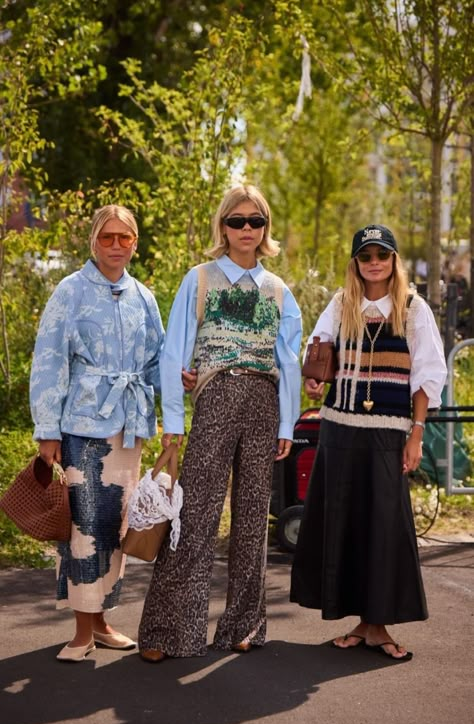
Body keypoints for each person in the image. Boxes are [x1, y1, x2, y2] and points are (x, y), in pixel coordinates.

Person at [138, 184, 302, 661]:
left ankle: (244, 624)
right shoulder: (200, 278)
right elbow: (174, 353)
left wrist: (287, 426)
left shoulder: (279, 290)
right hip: (215, 396)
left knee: (253, 519)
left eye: (256, 221)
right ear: (223, 227)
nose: (246, 230)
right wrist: (173, 419)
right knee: (194, 516)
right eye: (237, 221)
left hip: (264, 402)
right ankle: (170, 631)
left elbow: (288, 361)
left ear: (265, 228)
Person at [290, 224, 447, 661]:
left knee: (383, 527)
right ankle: (362, 624)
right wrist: (315, 378)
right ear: (355, 263)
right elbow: (317, 350)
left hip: (387, 432)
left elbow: (428, 375)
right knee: (345, 525)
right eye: (366, 255)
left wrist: (416, 434)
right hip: (339, 429)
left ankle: (379, 626)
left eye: (382, 254)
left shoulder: (413, 309)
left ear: (394, 260)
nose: (374, 262)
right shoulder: (342, 305)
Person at [30, 204, 166, 662]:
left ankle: (104, 622)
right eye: (106, 237)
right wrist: (47, 430)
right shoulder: (70, 292)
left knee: (116, 526)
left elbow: (156, 361)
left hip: (130, 428)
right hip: (83, 427)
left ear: (134, 243)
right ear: (93, 240)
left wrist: (176, 406)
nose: (114, 246)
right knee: (84, 528)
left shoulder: (143, 297)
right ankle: (82, 629)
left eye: (123, 238)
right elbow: (49, 361)